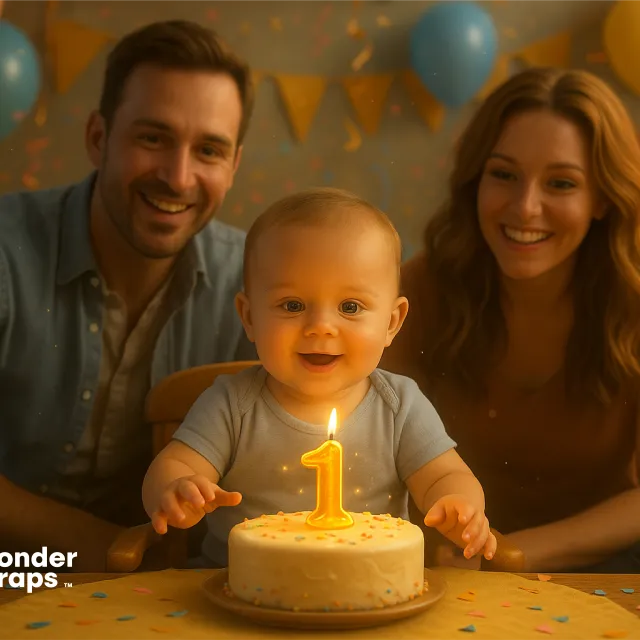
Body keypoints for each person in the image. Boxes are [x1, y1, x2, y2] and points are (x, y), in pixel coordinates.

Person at [0, 20, 257, 571]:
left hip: (159, 596)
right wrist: (107, 552)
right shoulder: (5, 252)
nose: (179, 177)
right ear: (99, 138)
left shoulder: (260, 288)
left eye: (208, 150)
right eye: (152, 138)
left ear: (233, 166)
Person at [141, 188, 497, 568]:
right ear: (249, 317)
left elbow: (445, 474)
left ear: (392, 322)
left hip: (373, 591)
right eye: (292, 305)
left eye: (350, 307)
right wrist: (176, 489)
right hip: (238, 590)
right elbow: (174, 466)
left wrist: (460, 504)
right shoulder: (232, 404)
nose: (321, 327)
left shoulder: (400, 406)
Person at [381, 67, 640, 573]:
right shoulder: (418, 292)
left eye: (561, 183)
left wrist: (511, 554)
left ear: (604, 199)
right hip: (440, 572)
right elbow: (363, 446)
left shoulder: (633, 302)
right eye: (503, 174)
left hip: (605, 578)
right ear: (475, 179)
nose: (525, 208)